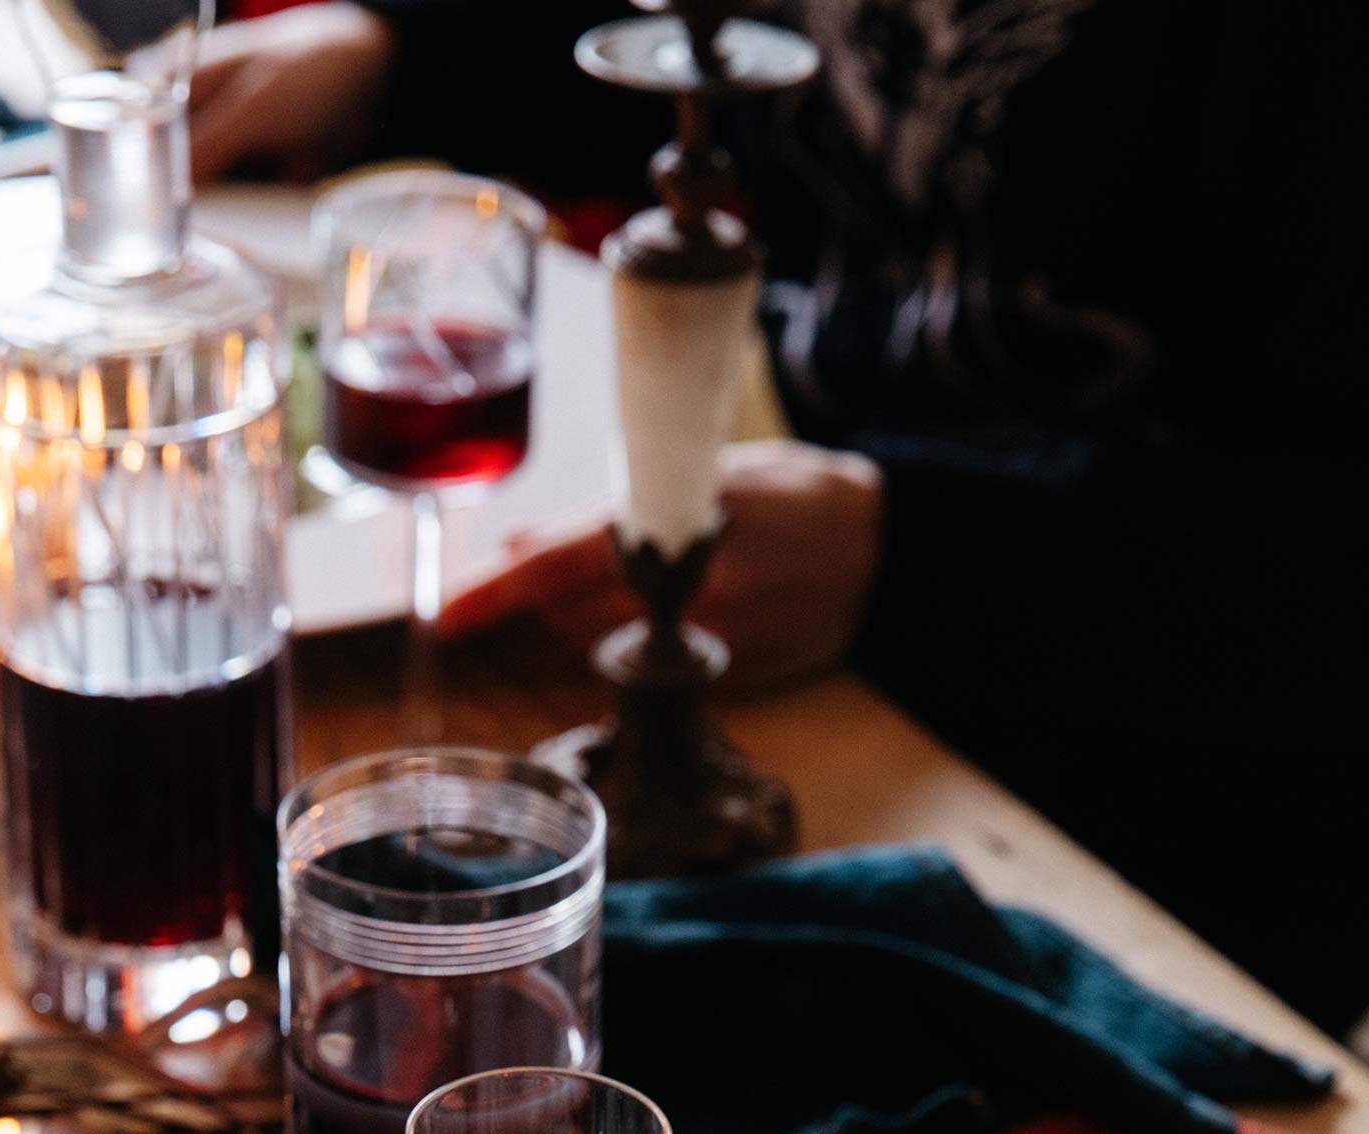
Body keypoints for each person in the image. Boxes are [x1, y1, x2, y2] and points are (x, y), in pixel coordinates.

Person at [170, 0, 1369, 1034]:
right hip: (789, 613)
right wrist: (392, 58)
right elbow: (726, 51)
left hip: (1131, 838)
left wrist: (917, 552)